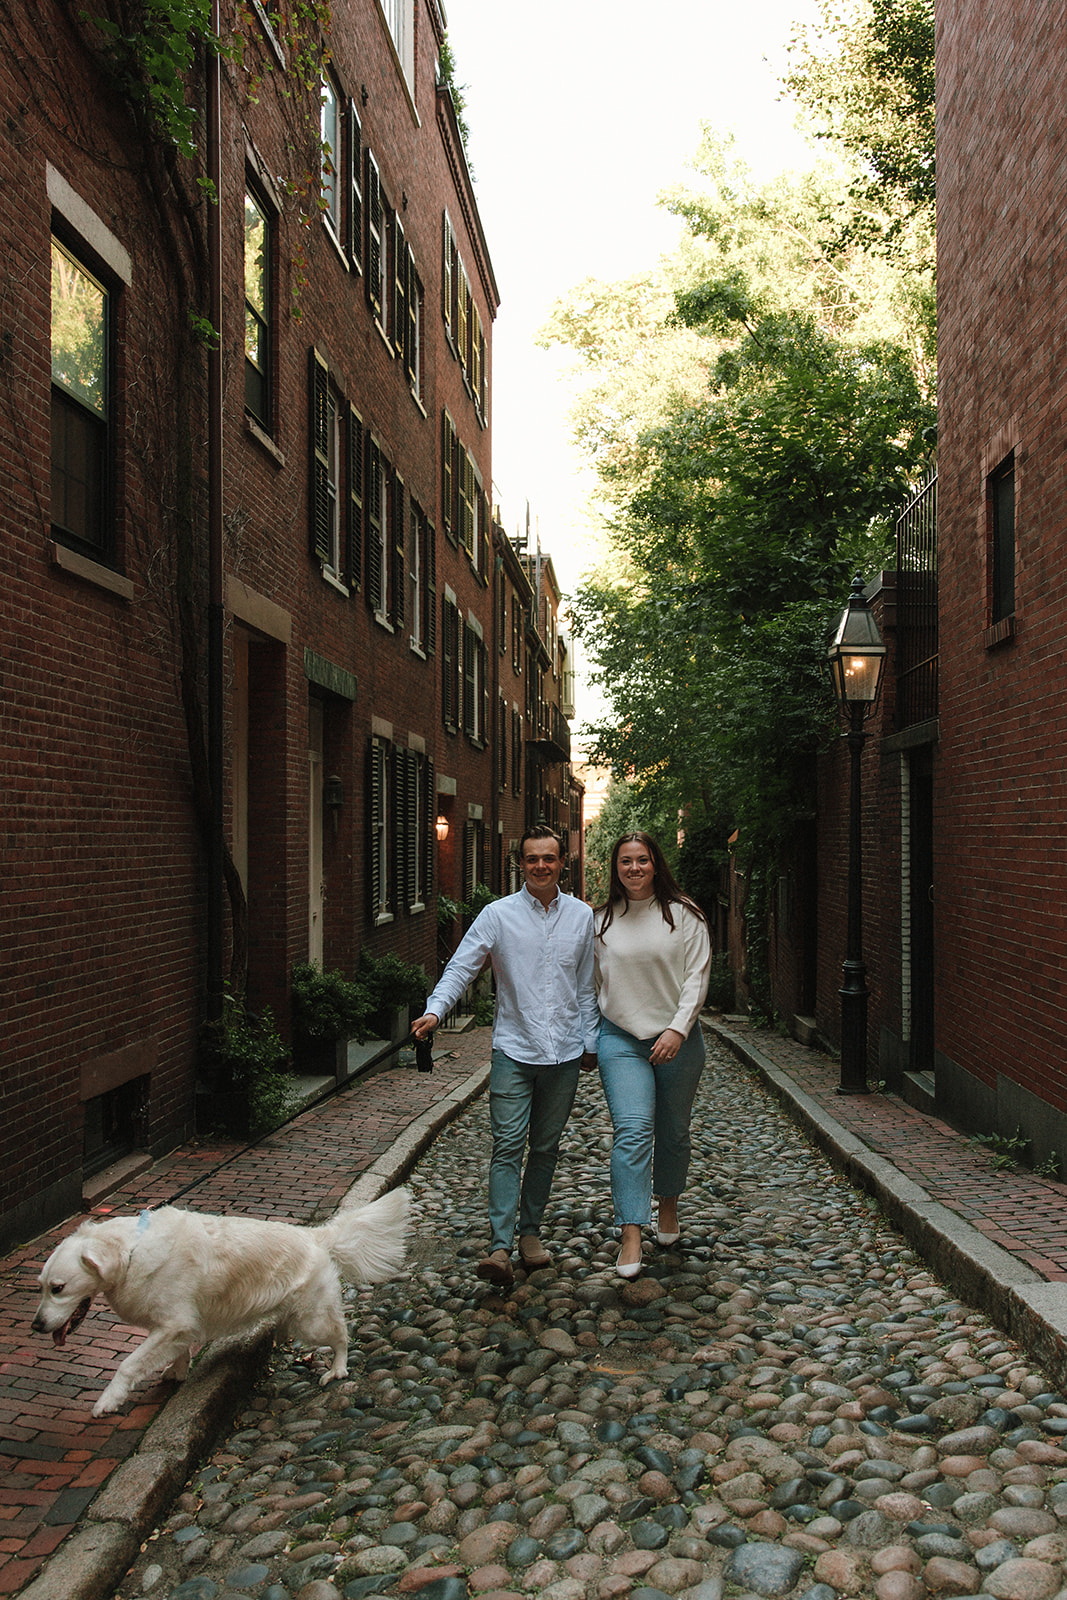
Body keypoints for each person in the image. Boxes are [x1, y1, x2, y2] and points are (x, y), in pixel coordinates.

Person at [411, 824, 600, 1288]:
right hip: (514, 1049)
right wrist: (436, 1011)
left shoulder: (582, 917)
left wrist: (590, 1043)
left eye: (549, 859)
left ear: (562, 864)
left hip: (564, 1055)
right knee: (507, 1146)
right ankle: (499, 1246)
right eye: (532, 858)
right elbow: (461, 965)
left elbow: (587, 986)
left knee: (545, 1148)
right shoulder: (497, 916)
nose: (540, 866)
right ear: (521, 863)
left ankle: (530, 1234)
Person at [594, 831, 712, 1279]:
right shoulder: (601, 921)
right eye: (626, 862)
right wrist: (593, 1041)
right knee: (633, 1130)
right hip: (621, 1039)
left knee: (674, 1130)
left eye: (642, 860)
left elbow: (697, 979)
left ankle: (668, 1204)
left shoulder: (685, 916)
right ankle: (630, 1233)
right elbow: (592, 986)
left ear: (656, 864)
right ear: (616, 869)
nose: (634, 869)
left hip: (678, 1041)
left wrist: (677, 1030)